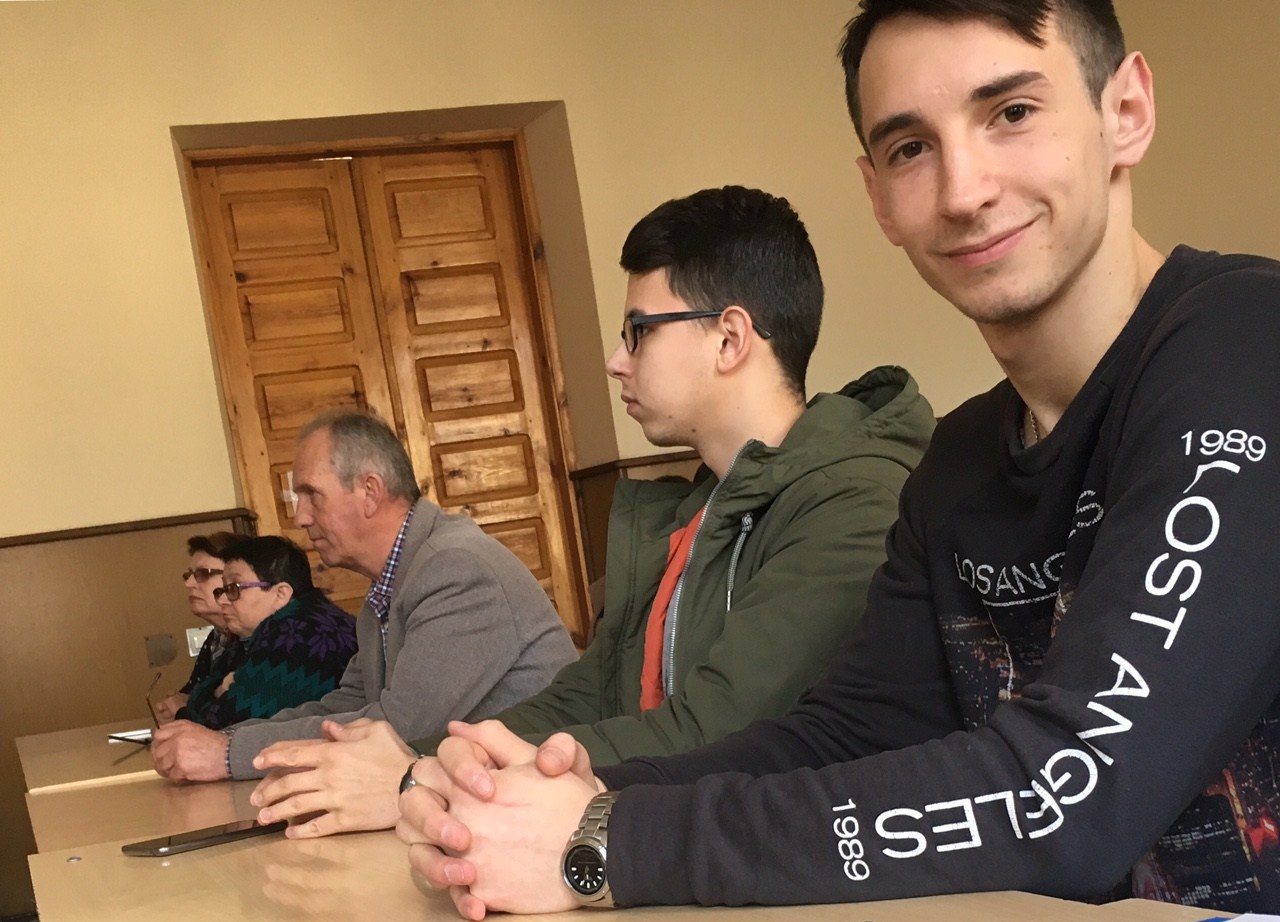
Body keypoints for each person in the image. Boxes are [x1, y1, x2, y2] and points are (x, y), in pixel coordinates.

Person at [398, 0, 1280, 918]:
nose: (963, 189)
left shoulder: (1247, 347)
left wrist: (612, 842)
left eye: (1012, 112)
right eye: (911, 147)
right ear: (878, 197)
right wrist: (563, 792)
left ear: (1125, 111)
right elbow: (846, 735)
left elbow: (1069, 795)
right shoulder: (960, 460)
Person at [244, 185, 934, 838]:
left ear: (730, 338)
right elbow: (590, 693)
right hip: (652, 832)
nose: (615, 360)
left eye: (639, 332)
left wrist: (421, 778)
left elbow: (719, 730)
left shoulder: (850, 500)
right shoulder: (695, 509)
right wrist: (421, 756)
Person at [150, 410, 577, 782]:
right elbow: (348, 703)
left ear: (370, 492)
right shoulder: (390, 584)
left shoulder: (457, 570)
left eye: (311, 495)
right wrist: (226, 739)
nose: (300, 517)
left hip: (538, 805)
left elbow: (399, 730)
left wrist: (228, 754)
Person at [175, 535, 358, 729]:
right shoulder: (256, 634)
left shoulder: (302, 636)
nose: (223, 601)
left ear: (280, 594)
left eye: (234, 589)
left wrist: (211, 695)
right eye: (223, 590)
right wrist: (217, 690)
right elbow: (203, 694)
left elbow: (225, 727)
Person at [153, 532, 251, 723]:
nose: (189, 584)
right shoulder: (216, 638)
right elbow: (194, 692)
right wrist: (174, 706)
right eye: (188, 575)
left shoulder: (259, 638)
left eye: (203, 574)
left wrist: (187, 709)